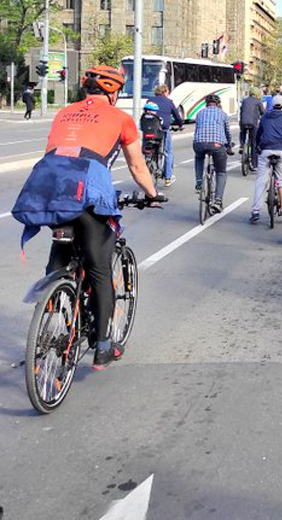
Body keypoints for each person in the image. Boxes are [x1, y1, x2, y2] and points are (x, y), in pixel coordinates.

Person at [12, 65, 161, 369]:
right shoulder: (121, 118)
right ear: (114, 92)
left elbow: (57, 152)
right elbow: (137, 167)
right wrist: (152, 194)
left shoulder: (64, 112)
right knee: (99, 268)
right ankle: (103, 347)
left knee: (62, 243)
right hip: (87, 188)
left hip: (46, 184)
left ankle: (54, 298)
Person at [251, 94, 282, 223]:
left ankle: (255, 210)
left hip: (266, 150)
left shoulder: (264, 117)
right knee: (281, 178)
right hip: (281, 150)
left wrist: (258, 146)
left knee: (261, 180)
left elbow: (259, 134)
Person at [193, 93, 233, 214]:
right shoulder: (223, 114)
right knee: (221, 172)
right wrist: (229, 145)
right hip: (216, 145)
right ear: (218, 104)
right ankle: (218, 201)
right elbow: (227, 133)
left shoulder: (199, 113)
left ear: (206, 104)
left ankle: (199, 181)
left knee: (199, 157)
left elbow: (197, 130)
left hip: (199, 143)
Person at [147, 85, 183, 186]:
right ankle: (168, 178)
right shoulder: (169, 102)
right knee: (168, 152)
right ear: (165, 92)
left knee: (149, 148)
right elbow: (176, 115)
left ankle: (149, 159)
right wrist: (180, 125)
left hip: (151, 129)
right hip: (164, 129)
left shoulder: (150, 100)